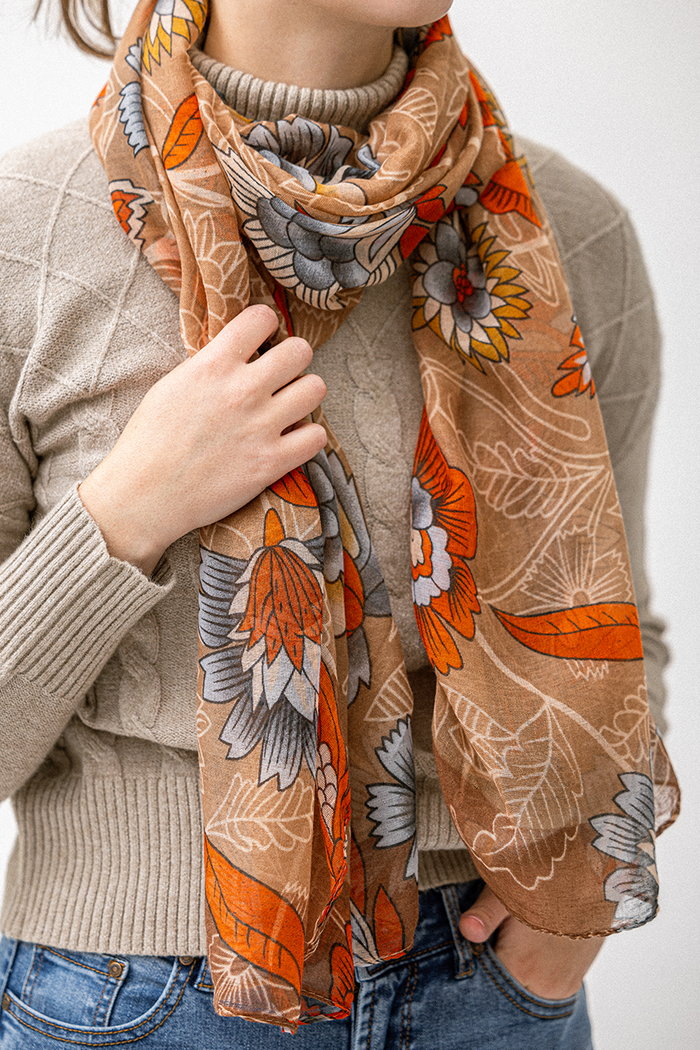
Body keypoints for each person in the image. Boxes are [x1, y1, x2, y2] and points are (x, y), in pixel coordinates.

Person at [0, 0, 679, 1047]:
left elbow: (613, 626)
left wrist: (574, 903)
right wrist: (128, 508)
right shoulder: (27, 235)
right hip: (142, 994)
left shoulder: (567, 230)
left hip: (490, 988)